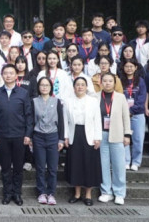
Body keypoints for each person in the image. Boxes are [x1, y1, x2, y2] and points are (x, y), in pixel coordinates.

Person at [0, 64, 33, 206]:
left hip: (19, 135)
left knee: (18, 167)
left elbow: (28, 115)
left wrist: (28, 134)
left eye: (11, 73)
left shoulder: (23, 93)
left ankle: (17, 193)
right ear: (2, 75)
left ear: (16, 76)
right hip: (2, 135)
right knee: (5, 167)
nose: (8, 75)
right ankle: (7, 194)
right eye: (6, 73)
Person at [64, 77, 102, 207]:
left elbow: (97, 120)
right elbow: (65, 121)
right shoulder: (68, 101)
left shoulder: (93, 101)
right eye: (77, 85)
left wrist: (98, 137)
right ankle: (77, 193)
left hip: (89, 135)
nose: (80, 87)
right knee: (76, 164)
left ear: (86, 87)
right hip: (74, 134)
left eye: (82, 85)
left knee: (89, 164)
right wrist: (66, 137)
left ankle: (88, 195)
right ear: (74, 87)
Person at [97, 73, 131, 205]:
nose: (107, 83)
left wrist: (127, 134)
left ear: (114, 82)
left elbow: (126, 117)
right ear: (101, 82)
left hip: (117, 134)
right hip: (101, 134)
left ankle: (119, 192)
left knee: (118, 165)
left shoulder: (121, 97)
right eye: (105, 81)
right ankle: (106, 191)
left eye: (110, 81)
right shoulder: (95, 97)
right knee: (103, 164)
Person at [31, 77, 64, 205]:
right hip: (38, 136)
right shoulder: (34, 101)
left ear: (51, 87)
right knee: (40, 167)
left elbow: (60, 122)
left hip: (53, 136)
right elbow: (32, 121)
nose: (44, 87)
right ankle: (41, 192)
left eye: (47, 85)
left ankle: (51, 193)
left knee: (52, 168)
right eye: (42, 85)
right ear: (38, 87)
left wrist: (61, 139)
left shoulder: (56, 102)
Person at [120, 60, 147, 171]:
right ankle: (126, 161)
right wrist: (125, 111)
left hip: (138, 114)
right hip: (123, 114)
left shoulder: (140, 81)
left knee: (138, 139)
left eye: (131, 66)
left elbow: (142, 99)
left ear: (136, 68)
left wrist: (132, 110)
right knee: (124, 138)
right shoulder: (120, 81)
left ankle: (136, 162)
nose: (129, 68)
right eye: (127, 66)